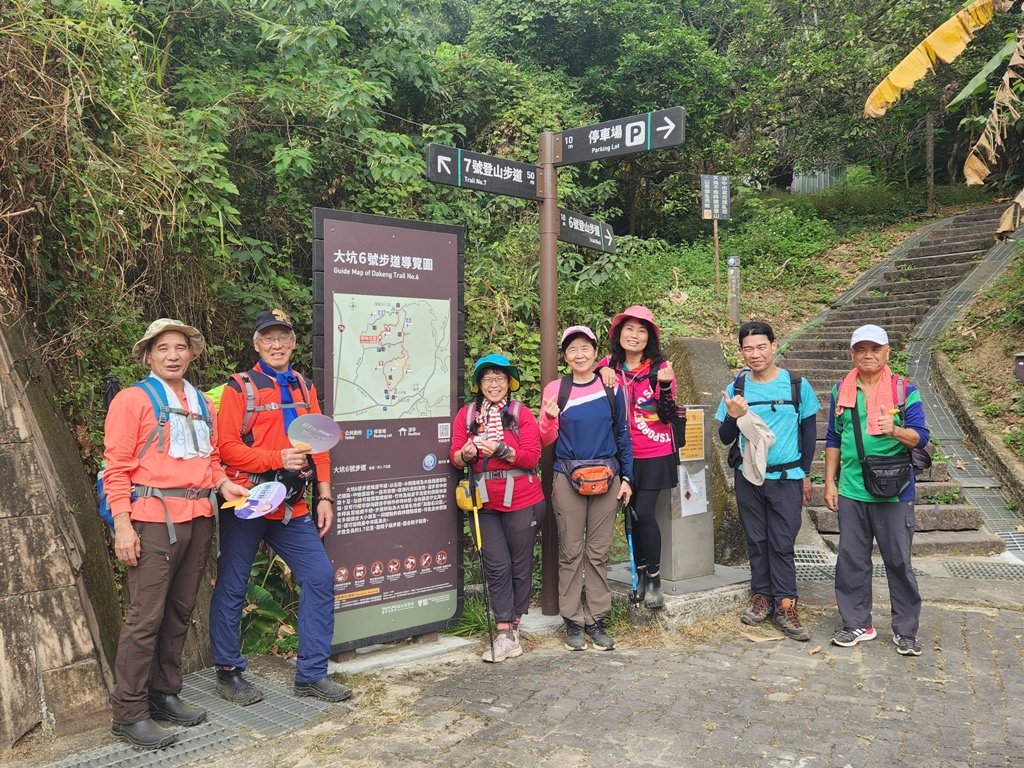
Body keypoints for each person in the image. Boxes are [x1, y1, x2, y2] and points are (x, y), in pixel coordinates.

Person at [104, 319, 247, 750]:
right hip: (151, 517)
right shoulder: (132, 400)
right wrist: (123, 524)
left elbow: (212, 458)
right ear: (148, 355)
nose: (173, 355)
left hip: (199, 515)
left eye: (180, 347)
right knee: (145, 615)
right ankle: (129, 713)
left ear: (192, 353)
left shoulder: (203, 402)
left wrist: (223, 484)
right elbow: (117, 466)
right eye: (163, 348)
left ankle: (165, 692)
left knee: (181, 609)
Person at [210, 309, 352, 703]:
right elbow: (226, 449)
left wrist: (325, 495)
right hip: (246, 502)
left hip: (292, 507)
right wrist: (277, 458)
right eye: (268, 338)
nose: (277, 345)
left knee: (320, 577)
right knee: (234, 585)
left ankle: (310, 674)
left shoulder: (305, 388)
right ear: (256, 344)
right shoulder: (241, 388)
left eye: (283, 338)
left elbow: (318, 446)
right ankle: (227, 671)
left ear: (293, 343)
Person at [824, 324, 929, 656]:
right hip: (853, 488)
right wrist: (830, 481)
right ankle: (857, 623)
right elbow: (833, 438)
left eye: (875, 349)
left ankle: (905, 630)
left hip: (895, 490)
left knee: (898, 561)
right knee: (851, 560)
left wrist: (895, 430)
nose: (867, 355)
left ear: (887, 353)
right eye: (861, 349)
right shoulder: (842, 389)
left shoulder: (904, 390)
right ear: (853, 353)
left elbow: (921, 437)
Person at [715, 321, 819, 641]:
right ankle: (761, 597)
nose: (755, 354)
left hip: (787, 477)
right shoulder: (738, 388)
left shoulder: (797, 385)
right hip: (749, 477)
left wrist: (804, 474)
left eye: (761, 346)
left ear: (774, 346)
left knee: (782, 543)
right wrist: (733, 415)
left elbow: (810, 434)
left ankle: (786, 603)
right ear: (741, 352)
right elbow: (724, 437)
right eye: (748, 348)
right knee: (757, 540)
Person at [540, 325, 633, 652]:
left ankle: (596, 618)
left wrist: (627, 478)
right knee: (570, 552)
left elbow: (623, 435)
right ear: (565, 356)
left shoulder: (611, 386)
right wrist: (550, 419)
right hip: (567, 476)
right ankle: (572, 620)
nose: (579, 355)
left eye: (585, 348)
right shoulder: (556, 389)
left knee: (598, 552)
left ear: (596, 352)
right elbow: (547, 439)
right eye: (572, 350)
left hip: (608, 477)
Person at [450, 353, 545, 663]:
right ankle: (504, 631)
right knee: (496, 564)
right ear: (479, 384)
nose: (494, 384)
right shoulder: (467, 416)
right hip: (483, 501)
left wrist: (503, 449)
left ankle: (513, 628)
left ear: (509, 383)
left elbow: (532, 457)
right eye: (488, 379)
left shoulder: (522, 415)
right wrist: (465, 453)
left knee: (520, 564)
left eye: (500, 379)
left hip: (523, 499)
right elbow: (454, 457)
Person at [597, 305, 680, 609]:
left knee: (644, 513)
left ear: (650, 337)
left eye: (642, 330)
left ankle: (655, 578)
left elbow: (669, 415)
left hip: (655, 451)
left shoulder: (660, 368)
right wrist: (600, 371)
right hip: (621, 454)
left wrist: (667, 386)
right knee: (631, 516)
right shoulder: (607, 367)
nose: (634, 336)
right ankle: (641, 574)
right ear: (618, 333)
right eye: (629, 329)